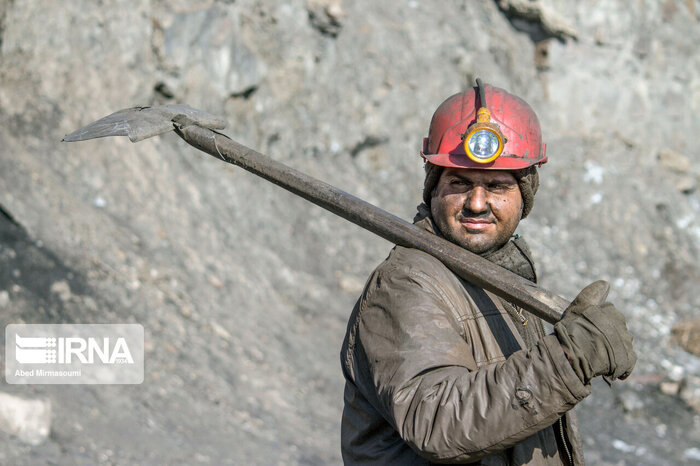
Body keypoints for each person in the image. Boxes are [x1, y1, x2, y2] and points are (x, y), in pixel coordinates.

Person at [340, 81, 636, 465]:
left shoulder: (498, 277)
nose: (476, 203)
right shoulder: (407, 283)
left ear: (525, 195)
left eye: (496, 186)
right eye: (459, 183)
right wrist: (567, 358)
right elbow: (439, 421)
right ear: (433, 187)